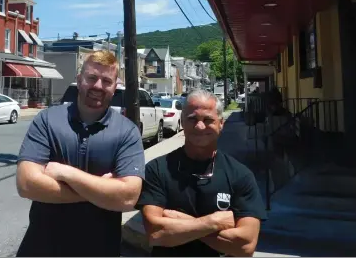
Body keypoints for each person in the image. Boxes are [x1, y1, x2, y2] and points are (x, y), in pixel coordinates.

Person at [16, 51, 145, 257]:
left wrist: (67, 174)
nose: (98, 86)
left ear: (115, 86)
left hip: (100, 250)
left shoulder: (127, 131)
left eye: (107, 81)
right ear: (79, 79)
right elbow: (27, 184)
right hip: (40, 248)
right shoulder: (47, 120)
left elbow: (128, 197)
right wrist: (102, 192)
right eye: (92, 78)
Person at [137, 89, 267, 257]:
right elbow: (156, 234)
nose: (199, 126)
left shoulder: (240, 175)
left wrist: (183, 222)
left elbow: (245, 245)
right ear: (182, 121)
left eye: (208, 120)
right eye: (192, 119)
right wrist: (214, 222)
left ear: (221, 124)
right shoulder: (157, 169)